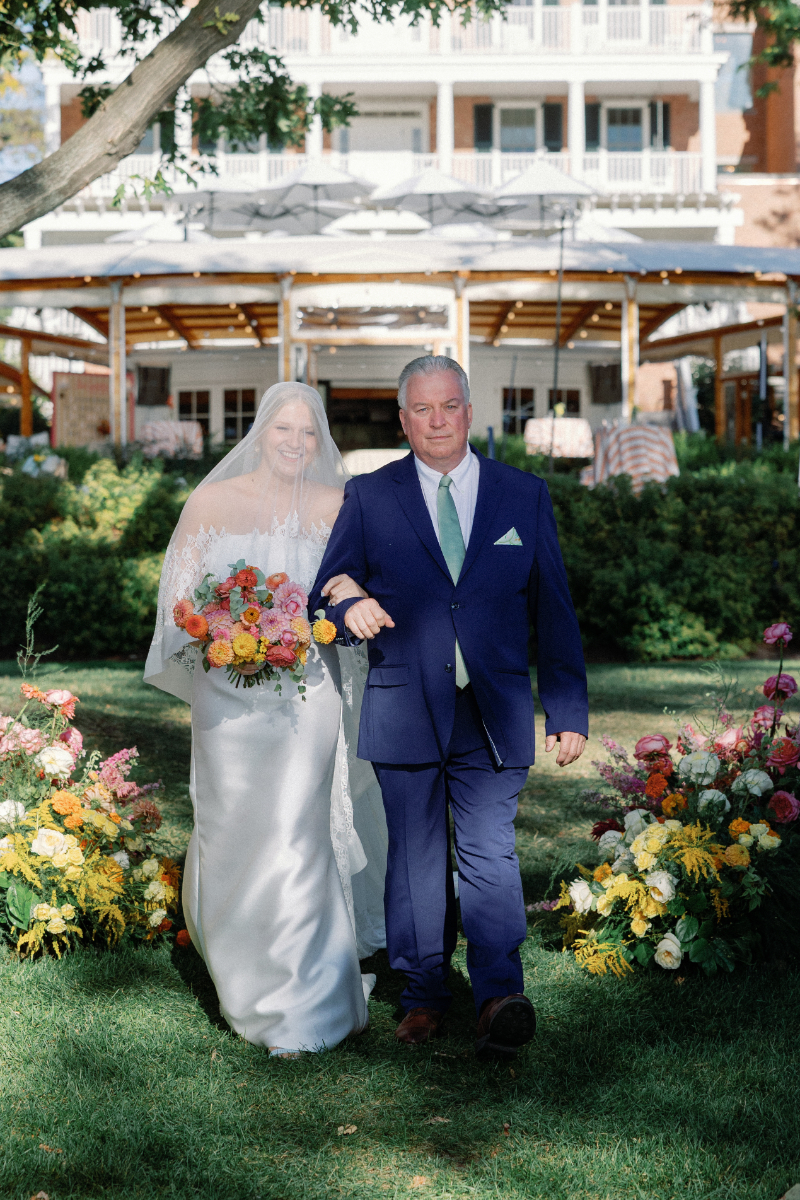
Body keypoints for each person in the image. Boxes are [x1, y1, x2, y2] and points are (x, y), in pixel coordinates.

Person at [309, 356, 588, 1060]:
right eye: (422, 410)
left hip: (492, 707)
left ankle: (499, 994)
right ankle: (424, 993)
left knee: (490, 850)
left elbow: (553, 608)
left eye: (450, 406)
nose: (437, 421)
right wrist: (352, 608)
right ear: (403, 419)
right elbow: (325, 595)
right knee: (417, 856)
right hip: (404, 704)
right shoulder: (370, 496)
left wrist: (567, 708)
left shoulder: (521, 495)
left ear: (470, 410)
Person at [144, 382, 387, 1056]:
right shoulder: (212, 502)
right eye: (285, 430)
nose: (297, 443)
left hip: (306, 693)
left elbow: (351, 589)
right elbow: (178, 602)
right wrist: (220, 634)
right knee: (231, 826)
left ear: (322, 442)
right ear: (259, 432)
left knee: (295, 828)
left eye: (309, 434)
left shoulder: (339, 505)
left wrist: (322, 623)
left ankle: (308, 996)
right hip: (227, 694)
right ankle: (241, 973)